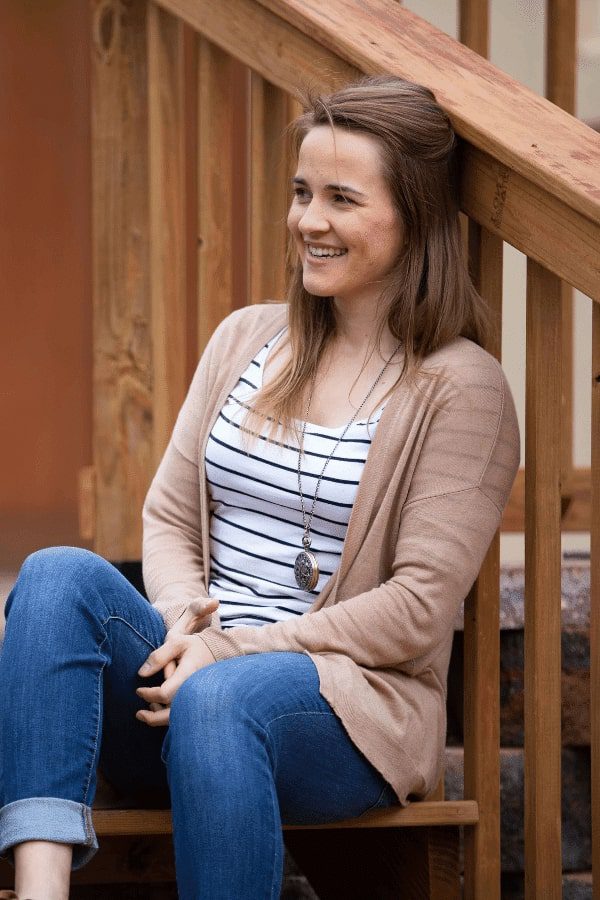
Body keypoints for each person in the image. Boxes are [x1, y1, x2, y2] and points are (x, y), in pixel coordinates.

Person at [0, 74, 520, 899]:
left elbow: (417, 605)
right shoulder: (249, 337)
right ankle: (38, 891)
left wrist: (228, 652)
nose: (310, 220)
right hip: (188, 678)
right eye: (302, 192)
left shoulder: (461, 389)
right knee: (57, 575)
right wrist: (179, 624)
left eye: (342, 198)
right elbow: (169, 514)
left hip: (342, 710)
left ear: (414, 214)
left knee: (223, 701)